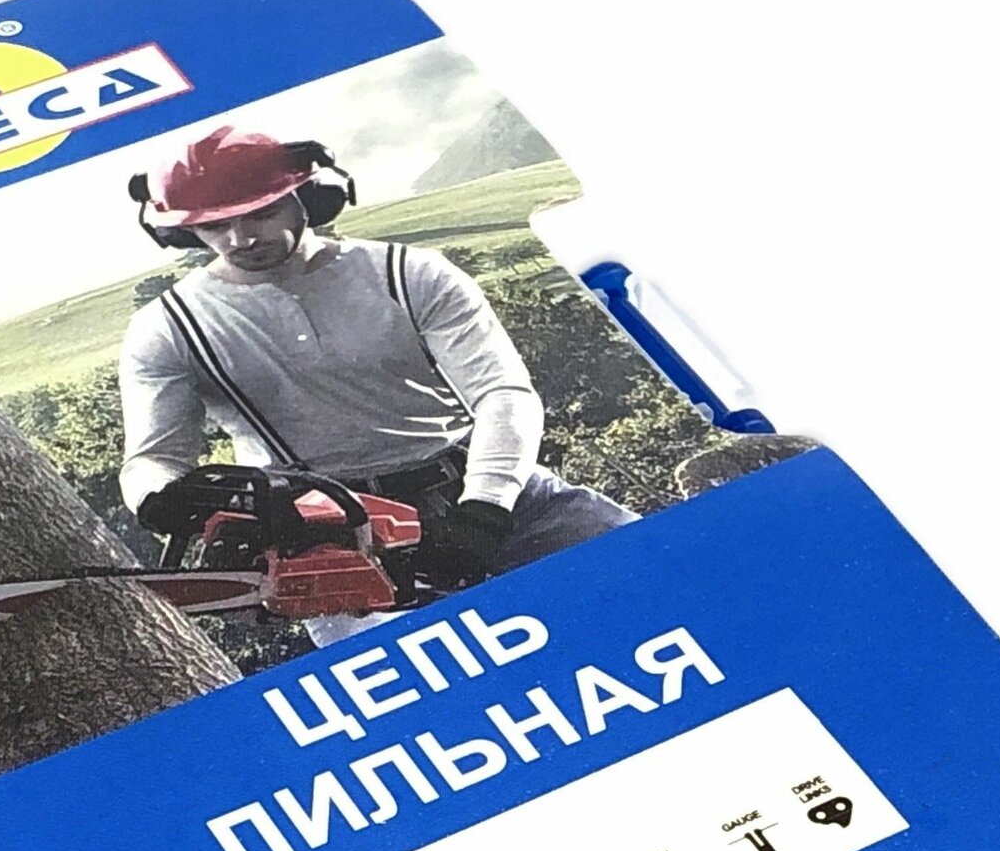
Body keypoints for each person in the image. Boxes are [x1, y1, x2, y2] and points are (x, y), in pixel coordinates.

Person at [119, 126, 634, 644]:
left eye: (260, 213)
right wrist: (158, 498)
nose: (240, 239)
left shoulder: (411, 273)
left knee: (654, 560)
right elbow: (153, 458)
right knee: (403, 671)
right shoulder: (167, 327)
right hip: (328, 534)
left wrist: (486, 506)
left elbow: (502, 393)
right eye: (214, 225)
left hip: (486, 486)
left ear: (310, 195)